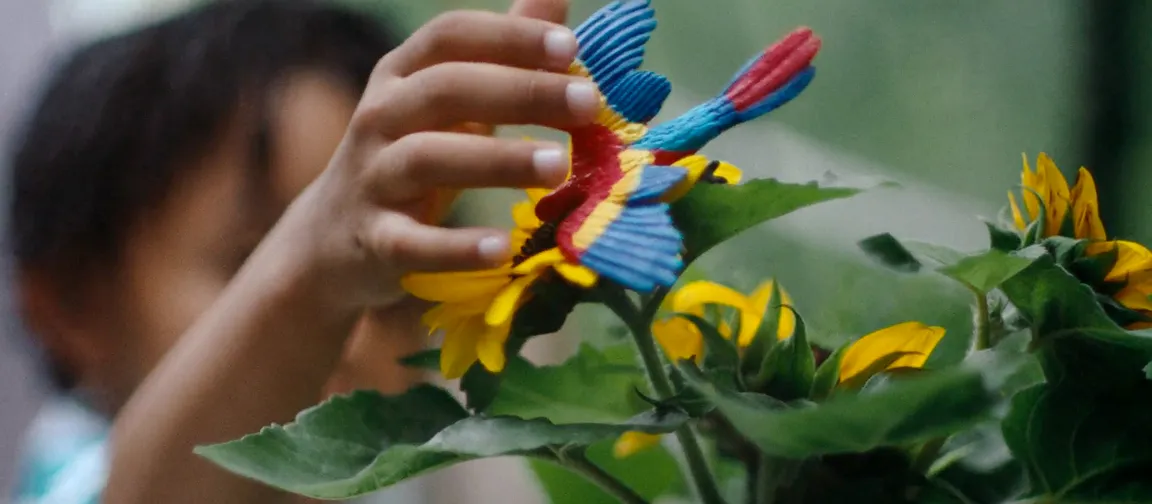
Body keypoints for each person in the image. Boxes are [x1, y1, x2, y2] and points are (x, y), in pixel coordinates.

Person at [7, 0, 586, 502]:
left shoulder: (430, 467)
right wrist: (309, 278)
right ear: (72, 305)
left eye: (393, 282)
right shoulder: (70, 477)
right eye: (250, 260)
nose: (349, 335)